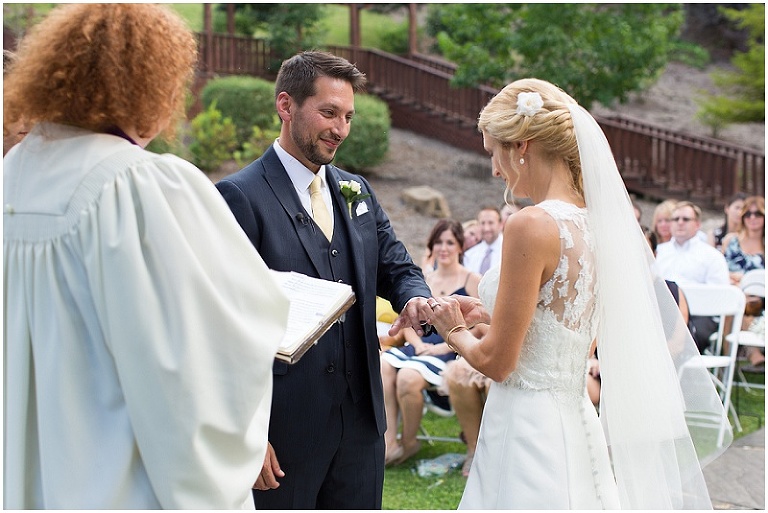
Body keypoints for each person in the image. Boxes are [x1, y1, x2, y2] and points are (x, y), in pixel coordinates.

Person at [393, 78, 730, 508]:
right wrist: (483, 310)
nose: (495, 169)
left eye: (494, 152)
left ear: (523, 147)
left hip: (525, 423)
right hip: (573, 418)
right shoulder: (597, 223)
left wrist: (453, 329)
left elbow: (498, 363)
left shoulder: (530, 224)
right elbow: (563, 322)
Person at [3, 5, 290, 509]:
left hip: (32, 470)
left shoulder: (12, 175)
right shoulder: (136, 184)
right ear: (147, 85)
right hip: (118, 477)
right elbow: (208, 340)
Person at [215, 51, 431, 509]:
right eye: (329, 113)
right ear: (286, 105)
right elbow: (220, 328)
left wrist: (416, 300)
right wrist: (247, 435)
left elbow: (396, 267)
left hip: (361, 427)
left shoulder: (357, 191)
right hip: (283, 430)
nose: (341, 129)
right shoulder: (239, 197)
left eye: (349, 116)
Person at [381, 219, 481, 466]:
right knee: (382, 364)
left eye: (449, 242)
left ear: (460, 246)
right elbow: (405, 318)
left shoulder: (471, 280)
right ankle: (389, 443)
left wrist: (442, 346)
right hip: (420, 345)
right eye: (438, 242)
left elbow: (479, 326)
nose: (443, 248)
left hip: (451, 348)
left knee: (406, 376)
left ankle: (409, 443)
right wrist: (418, 345)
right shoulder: (424, 277)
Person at [656, 200, 730, 352]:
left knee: (685, 339)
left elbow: (719, 294)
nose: (680, 223)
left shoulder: (712, 256)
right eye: (676, 219)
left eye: (686, 219)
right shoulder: (658, 253)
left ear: (697, 224)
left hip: (700, 316)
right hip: (661, 315)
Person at [722, 195, 765, 285]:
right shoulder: (730, 240)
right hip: (733, 292)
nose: (752, 218)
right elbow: (719, 270)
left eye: (758, 214)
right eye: (748, 214)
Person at [462, 206, 503, 275]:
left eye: (491, 223)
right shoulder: (469, 255)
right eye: (483, 223)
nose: (486, 228)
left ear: (500, 225)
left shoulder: (510, 251)